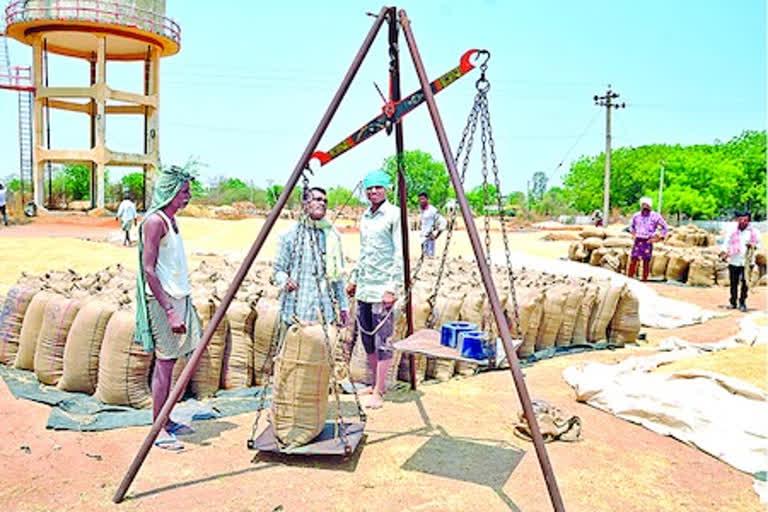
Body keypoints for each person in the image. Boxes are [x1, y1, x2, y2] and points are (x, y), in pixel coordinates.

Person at [135, 165, 202, 451]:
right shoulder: (155, 222)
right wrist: (170, 311)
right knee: (164, 363)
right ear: (170, 191)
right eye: (183, 191)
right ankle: (157, 427)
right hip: (163, 303)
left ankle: (167, 417)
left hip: (179, 298)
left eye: (188, 191)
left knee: (177, 360)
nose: (187, 196)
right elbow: (148, 270)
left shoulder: (172, 221)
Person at [347, 169, 402, 409]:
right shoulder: (366, 217)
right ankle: (372, 383)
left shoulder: (394, 214)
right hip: (365, 288)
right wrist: (354, 278)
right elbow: (364, 253)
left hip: (382, 288)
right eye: (369, 188)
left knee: (383, 341)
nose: (373, 192)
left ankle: (380, 391)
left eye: (378, 187)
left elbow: (400, 254)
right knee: (367, 338)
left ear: (386, 189)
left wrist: (392, 288)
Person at [273, 186, 349, 328]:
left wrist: (344, 306)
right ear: (305, 204)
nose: (322, 203)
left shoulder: (333, 236)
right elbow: (278, 270)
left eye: (325, 201)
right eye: (318, 199)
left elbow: (338, 276)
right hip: (295, 311)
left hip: (323, 314)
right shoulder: (290, 235)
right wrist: (285, 281)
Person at [720, 212, 761, 312]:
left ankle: (742, 302)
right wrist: (724, 252)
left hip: (748, 262)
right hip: (734, 260)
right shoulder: (732, 231)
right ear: (737, 220)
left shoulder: (754, 232)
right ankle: (733, 302)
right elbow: (726, 243)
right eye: (741, 220)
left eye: (745, 220)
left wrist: (753, 246)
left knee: (745, 283)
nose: (743, 222)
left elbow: (759, 245)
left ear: (749, 220)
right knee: (733, 283)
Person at [628, 197, 668, 282]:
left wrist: (659, 238)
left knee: (646, 261)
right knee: (633, 259)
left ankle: (644, 280)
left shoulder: (655, 216)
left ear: (650, 206)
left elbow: (665, 227)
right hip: (638, 240)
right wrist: (633, 233)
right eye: (643, 205)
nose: (645, 207)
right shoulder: (636, 215)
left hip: (648, 240)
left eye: (647, 205)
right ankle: (629, 279)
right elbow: (631, 226)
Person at [418, 192, 445, 258]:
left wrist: (436, 235)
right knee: (423, 257)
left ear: (427, 199)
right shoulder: (421, 210)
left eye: (423, 199)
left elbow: (443, 222)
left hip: (430, 238)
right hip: (422, 238)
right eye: (420, 199)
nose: (421, 201)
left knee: (429, 258)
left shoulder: (433, 210)